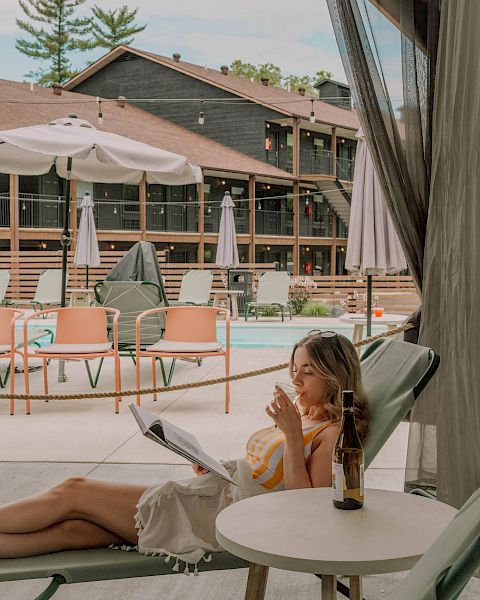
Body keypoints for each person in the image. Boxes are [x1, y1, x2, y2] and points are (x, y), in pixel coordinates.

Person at [0, 331, 368, 570]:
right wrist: (212, 467)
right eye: (295, 369)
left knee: (75, 490)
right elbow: (261, 472)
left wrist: (289, 435)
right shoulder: (304, 415)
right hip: (218, 498)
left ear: (334, 375)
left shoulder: (333, 432)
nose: (295, 379)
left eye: (308, 372)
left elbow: (307, 507)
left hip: (230, 518)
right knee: (75, 531)